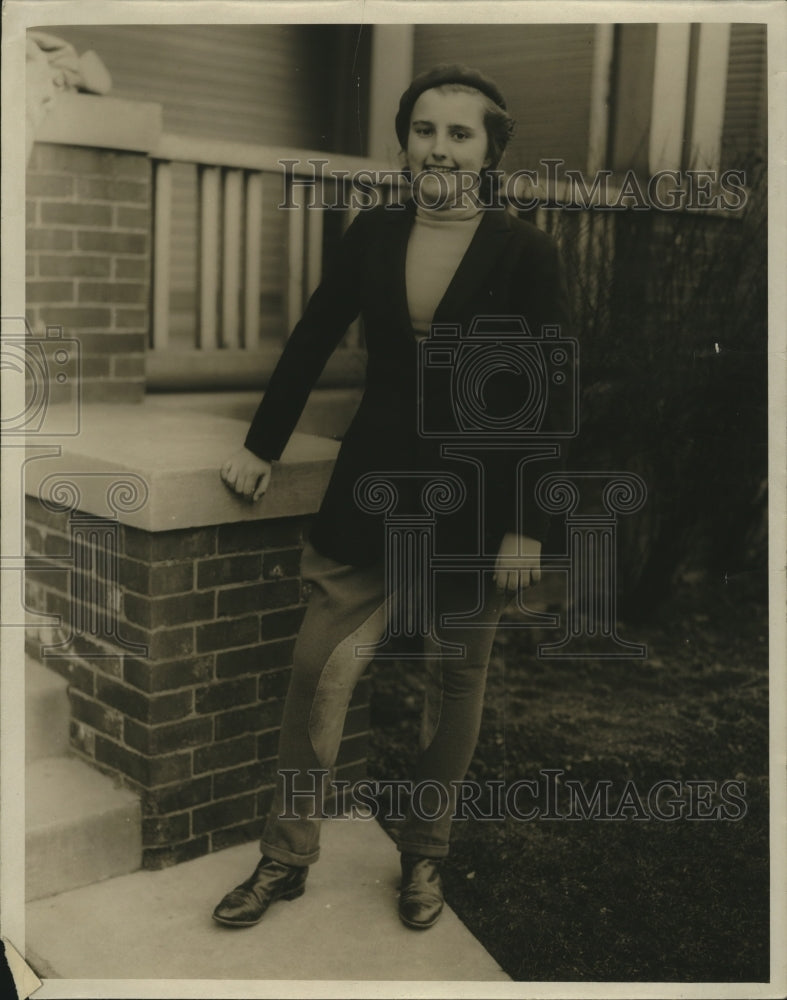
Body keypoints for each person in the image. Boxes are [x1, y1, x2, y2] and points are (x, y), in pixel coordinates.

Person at [213, 64, 572, 931]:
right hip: (369, 487)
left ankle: (424, 857)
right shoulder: (371, 231)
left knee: (455, 680)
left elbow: (549, 395)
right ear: (402, 140)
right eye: (423, 130)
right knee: (315, 668)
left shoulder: (526, 252)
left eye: (459, 133)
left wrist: (528, 526)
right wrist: (262, 445)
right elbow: (311, 336)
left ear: (488, 149)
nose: (438, 147)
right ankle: (286, 854)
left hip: (478, 502)